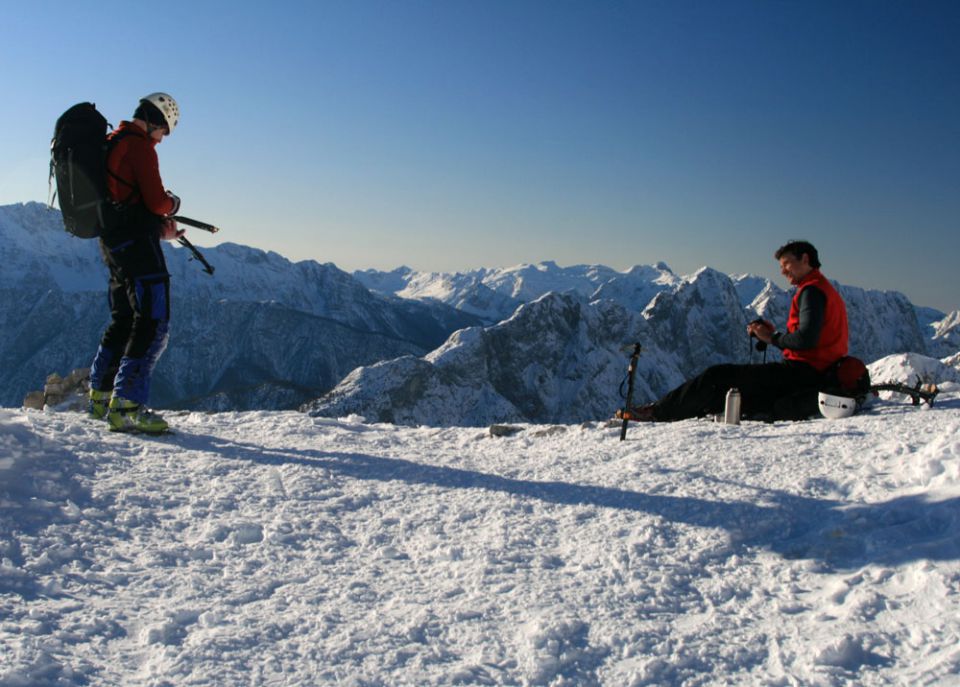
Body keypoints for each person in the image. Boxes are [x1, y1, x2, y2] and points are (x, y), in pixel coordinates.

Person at [620, 240, 849, 422]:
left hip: (804, 373)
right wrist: (772, 335)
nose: (783, 272)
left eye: (787, 264)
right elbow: (812, 335)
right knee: (732, 384)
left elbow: (807, 339)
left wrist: (771, 337)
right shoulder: (823, 289)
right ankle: (664, 409)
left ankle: (658, 412)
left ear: (805, 259)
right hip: (819, 372)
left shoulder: (812, 291)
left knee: (717, 375)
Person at [87, 92, 184, 433]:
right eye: (165, 132)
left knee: (123, 318)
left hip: (113, 244)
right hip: (138, 248)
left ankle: (99, 397)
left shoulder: (114, 141)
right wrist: (172, 204)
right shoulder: (140, 146)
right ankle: (127, 405)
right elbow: (156, 201)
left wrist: (159, 230)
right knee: (153, 321)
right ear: (157, 121)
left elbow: (124, 202)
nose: (162, 139)